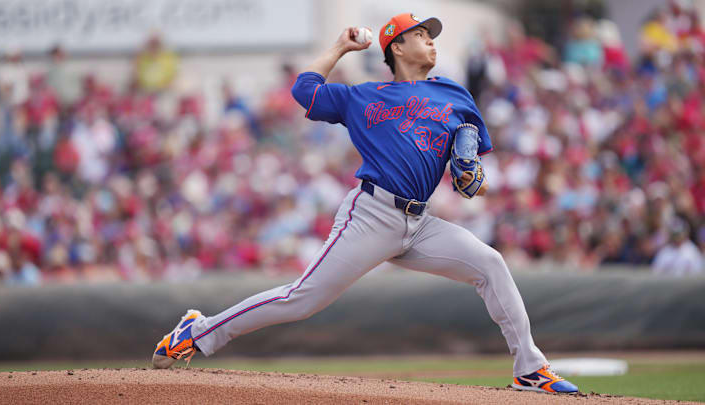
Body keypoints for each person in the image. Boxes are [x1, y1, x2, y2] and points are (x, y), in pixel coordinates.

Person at [152, 13, 579, 394]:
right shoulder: (363, 95)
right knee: (302, 299)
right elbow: (305, 89)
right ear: (396, 46)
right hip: (372, 215)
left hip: (421, 224)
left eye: (432, 35)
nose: (432, 40)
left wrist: (471, 175)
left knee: (490, 264)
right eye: (421, 34)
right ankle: (199, 330)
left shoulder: (454, 94)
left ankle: (530, 369)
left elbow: (469, 164)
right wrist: (340, 46)